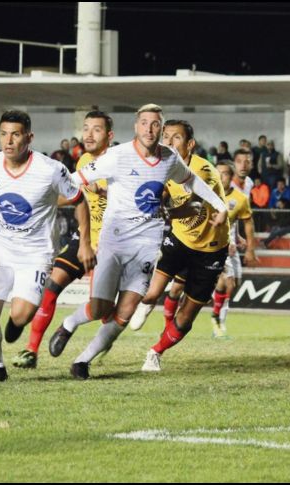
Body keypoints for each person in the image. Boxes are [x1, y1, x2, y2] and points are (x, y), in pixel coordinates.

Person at [48, 108, 226, 381]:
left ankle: (82, 361)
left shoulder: (169, 158)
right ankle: (69, 323)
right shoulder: (116, 157)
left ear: (160, 128)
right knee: (100, 309)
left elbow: (191, 181)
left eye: (155, 124)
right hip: (114, 241)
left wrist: (219, 204)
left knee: (126, 312)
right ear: (136, 127)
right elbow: (75, 180)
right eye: (144, 123)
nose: (150, 129)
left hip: (146, 245)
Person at [0, 110, 94, 382]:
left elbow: (79, 201)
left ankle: (15, 322)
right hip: (1, 249)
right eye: (4, 134)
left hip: (36, 253)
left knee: (21, 315)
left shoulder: (50, 170)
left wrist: (85, 243)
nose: (8, 141)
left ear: (29, 137)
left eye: (16, 135)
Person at [120, 119, 228, 373]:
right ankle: (145, 305)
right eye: (165, 137)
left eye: (175, 137)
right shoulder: (162, 167)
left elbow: (190, 207)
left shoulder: (203, 171)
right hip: (180, 240)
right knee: (149, 293)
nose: (167, 142)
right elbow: (158, 194)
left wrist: (159, 213)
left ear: (190, 144)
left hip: (210, 249)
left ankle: (155, 352)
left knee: (186, 317)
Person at [10, 111, 114, 369]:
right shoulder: (84, 161)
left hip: (113, 244)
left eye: (96, 129)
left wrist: (105, 190)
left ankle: (92, 331)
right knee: (51, 287)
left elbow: (132, 199)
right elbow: (74, 195)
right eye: (86, 128)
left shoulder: (119, 162)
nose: (88, 134)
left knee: (101, 309)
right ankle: (31, 351)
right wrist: (40, 203)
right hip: (85, 237)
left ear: (109, 136)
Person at [209, 159, 255, 337]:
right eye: (218, 173)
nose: (221, 177)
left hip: (232, 247)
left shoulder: (240, 199)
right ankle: (217, 322)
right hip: (216, 247)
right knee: (227, 283)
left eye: (225, 174)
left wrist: (240, 240)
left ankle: (217, 313)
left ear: (231, 176)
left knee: (234, 284)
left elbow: (241, 223)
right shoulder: (209, 195)